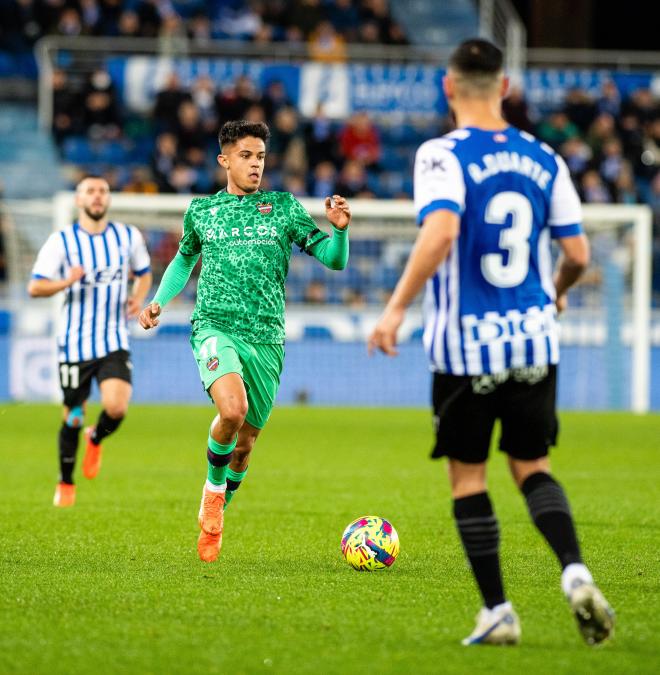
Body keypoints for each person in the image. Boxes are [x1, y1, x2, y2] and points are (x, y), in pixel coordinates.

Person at [368, 38, 614, 647]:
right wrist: (555, 290)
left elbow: (442, 230)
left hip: (464, 346)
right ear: (504, 88)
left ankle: (499, 611)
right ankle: (575, 572)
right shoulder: (544, 156)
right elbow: (579, 255)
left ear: (449, 88)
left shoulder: (440, 155)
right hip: (534, 340)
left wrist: (395, 308)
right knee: (533, 468)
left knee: (470, 480)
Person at [138, 120, 351, 563]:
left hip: (268, 339)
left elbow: (333, 261)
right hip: (215, 326)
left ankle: (218, 509)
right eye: (246, 156)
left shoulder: (284, 207)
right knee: (230, 411)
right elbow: (182, 262)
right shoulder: (202, 211)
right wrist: (157, 302)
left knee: (246, 444)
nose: (255, 165)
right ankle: (212, 493)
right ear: (225, 160)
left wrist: (341, 230)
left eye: (260, 157)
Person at [28, 176, 152, 507]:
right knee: (72, 415)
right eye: (90, 192)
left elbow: (144, 273)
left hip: (113, 338)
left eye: (102, 191)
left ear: (108, 199)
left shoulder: (127, 237)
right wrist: (66, 281)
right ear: (79, 201)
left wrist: (138, 297)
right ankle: (66, 482)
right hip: (74, 343)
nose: (97, 197)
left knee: (117, 407)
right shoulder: (61, 241)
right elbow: (35, 287)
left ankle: (96, 438)